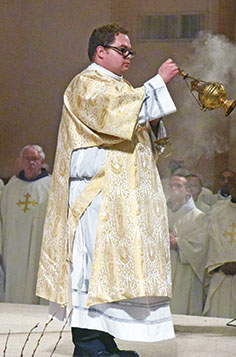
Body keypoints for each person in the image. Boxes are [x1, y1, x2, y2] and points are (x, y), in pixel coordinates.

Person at [36, 23, 179, 357]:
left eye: (131, 51)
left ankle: (103, 341)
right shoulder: (86, 84)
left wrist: (152, 118)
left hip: (118, 197)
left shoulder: (120, 87)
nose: (129, 57)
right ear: (100, 51)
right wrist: (158, 84)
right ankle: (88, 345)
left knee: (111, 275)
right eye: (122, 50)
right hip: (95, 196)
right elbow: (115, 116)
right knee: (91, 272)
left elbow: (141, 135)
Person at [0, 145, 51, 304]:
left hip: (38, 247)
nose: (31, 163)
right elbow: (2, 220)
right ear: (21, 161)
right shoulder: (11, 187)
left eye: (35, 159)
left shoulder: (50, 186)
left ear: (42, 161)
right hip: (13, 249)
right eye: (27, 159)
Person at [203, 172, 236, 318]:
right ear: (228, 188)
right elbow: (214, 238)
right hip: (221, 273)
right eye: (234, 186)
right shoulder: (218, 210)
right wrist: (222, 264)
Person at [166, 175, 208, 315]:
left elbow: (200, 246)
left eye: (178, 186)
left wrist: (178, 243)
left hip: (185, 273)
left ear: (188, 190)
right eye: (170, 186)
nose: (173, 189)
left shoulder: (198, 217)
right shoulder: (161, 213)